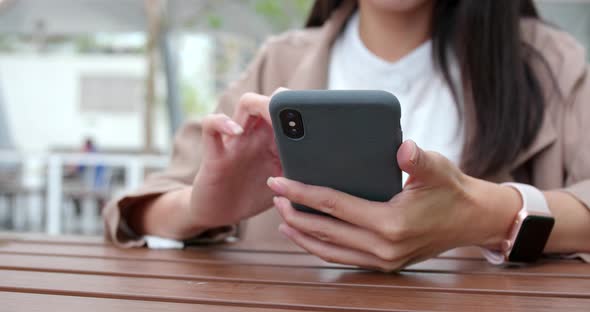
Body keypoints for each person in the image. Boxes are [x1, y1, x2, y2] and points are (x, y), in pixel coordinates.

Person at [104, 0, 590, 270]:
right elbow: (134, 209)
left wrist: (490, 215)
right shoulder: (279, 63)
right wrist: (200, 210)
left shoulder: (548, 64)